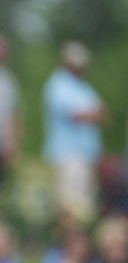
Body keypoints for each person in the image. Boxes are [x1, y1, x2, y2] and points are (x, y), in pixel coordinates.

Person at [43, 41, 106, 220]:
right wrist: (92, 115)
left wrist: (92, 115)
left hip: (86, 155)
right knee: (68, 204)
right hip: (67, 153)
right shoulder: (58, 84)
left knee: (83, 205)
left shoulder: (83, 87)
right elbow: (75, 115)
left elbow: (99, 113)